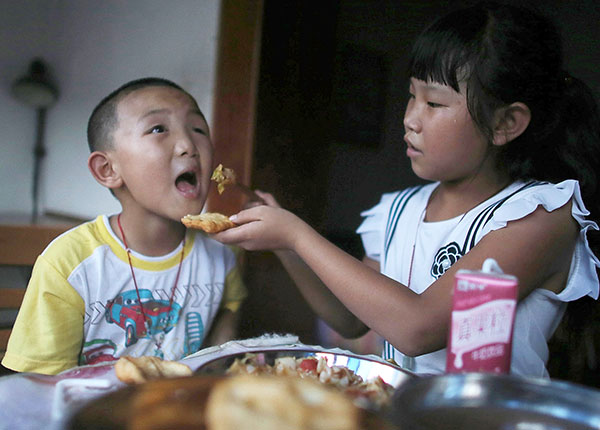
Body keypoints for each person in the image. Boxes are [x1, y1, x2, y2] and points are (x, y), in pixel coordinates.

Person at [212, 1, 600, 378]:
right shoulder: (399, 211)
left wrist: (296, 234)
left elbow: (418, 328)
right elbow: (350, 320)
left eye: (433, 102)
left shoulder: (538, 217)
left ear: (505, 123)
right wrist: (284, 242)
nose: (410, 118)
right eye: (411, 95)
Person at [2, 78, 247, 375]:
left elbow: (228, 309)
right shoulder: (70, 264)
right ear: (108, 170)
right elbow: (41, 389)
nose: (188, 146)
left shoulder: (222, 252)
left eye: (198, 129)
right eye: (158, 129)